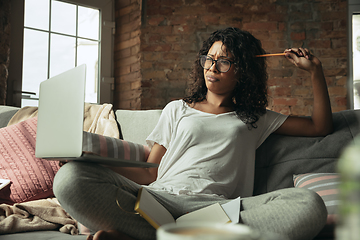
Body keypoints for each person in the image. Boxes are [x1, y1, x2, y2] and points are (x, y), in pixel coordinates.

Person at [53, 27, 332, 240]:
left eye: (224, 62)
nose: (212, 68)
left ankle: (148, 236)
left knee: (309, 204)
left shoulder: (255, 117)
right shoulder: (177, 109)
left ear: (243, 71)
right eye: (208, 59)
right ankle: (180, 234)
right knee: (68, 179)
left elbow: (320, 127)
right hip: (158, 200)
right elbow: (152, 172)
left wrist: (315, 72)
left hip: (219, 211)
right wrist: (94, 161)